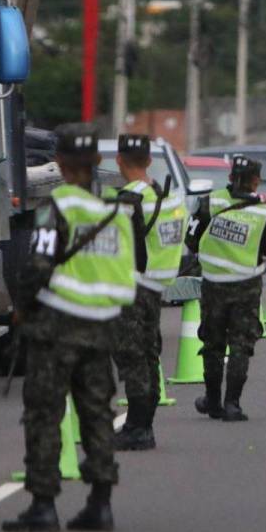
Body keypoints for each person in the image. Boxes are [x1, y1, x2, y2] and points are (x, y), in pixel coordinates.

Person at [3, 123, 136, 532]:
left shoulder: (56, 207)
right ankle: (101, 503)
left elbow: (39, 265)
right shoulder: (118, 209)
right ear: (97, 161)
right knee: (96, 414)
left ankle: (43, 505)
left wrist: (21, 307)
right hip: (103, 325)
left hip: (57, 325)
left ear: (58, 163)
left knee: (45, 413)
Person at [186, 156, 266, 421]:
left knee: (213, 343)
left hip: (213, 285)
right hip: (246, 286)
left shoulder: (209, 202)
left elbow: (191, 240)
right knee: (241, 345)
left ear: (230, 178)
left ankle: (213, 401)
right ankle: (233, 405)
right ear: (256, 181)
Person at [106, 134, 187, 451]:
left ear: (119, 160)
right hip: (157, 286)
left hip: (132, 287)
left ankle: (139, 429)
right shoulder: (167, 197)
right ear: (150, 161)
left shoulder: (128, 200)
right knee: (148, 354)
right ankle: (141, 424)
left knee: (132, 357)